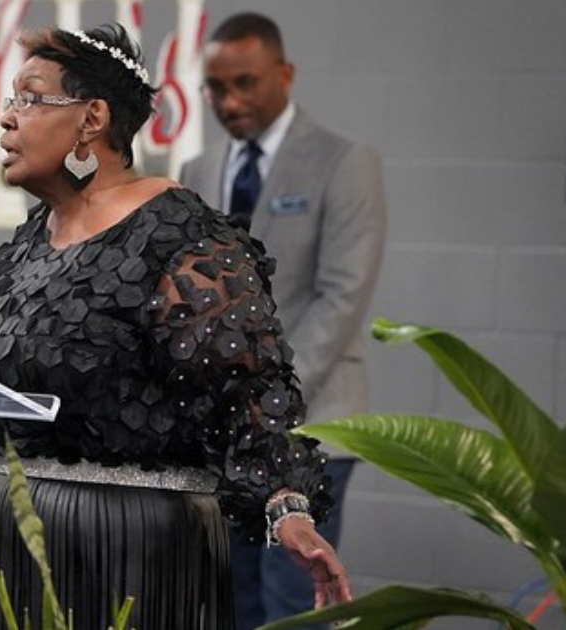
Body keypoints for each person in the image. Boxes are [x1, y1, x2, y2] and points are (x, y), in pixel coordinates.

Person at [0, 23, 351, 630]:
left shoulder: (182, 237)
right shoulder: (34, 240)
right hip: (14, 541)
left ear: (92, 118)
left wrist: (287, 509)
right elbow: (24, 371)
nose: (7, 118)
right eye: (10, 100)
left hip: (123, 552)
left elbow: (248, 397)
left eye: (29, 98)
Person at [179, 12, 387, 629]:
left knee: (291, 604)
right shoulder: (198, 167)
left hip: (312, 421)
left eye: (245, 82)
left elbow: (342, 297)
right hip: (223, 435)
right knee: (230, 595)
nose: (230, 100)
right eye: (216, 88)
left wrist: (268, 402)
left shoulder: (346, 162)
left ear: (285, 74)